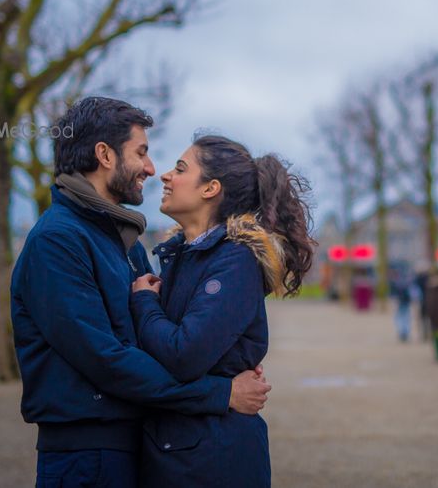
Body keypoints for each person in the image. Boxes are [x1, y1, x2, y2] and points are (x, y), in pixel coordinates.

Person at [11, 98, 270, 488]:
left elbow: (162, 336)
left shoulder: (124, 241)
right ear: (105, 155)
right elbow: (107, 359)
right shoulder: (58, 241)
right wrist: (221, 392)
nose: (151, 169)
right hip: (85, 455)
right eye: (142, 153)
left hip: (136, 445)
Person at [130, 134, 314, 488]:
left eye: (181, 169)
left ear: (210, 188)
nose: (165, 176)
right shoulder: (184, 255)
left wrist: (144, 302)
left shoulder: (234, 260)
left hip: (211, 459)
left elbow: (184, 354)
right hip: (181, 451)